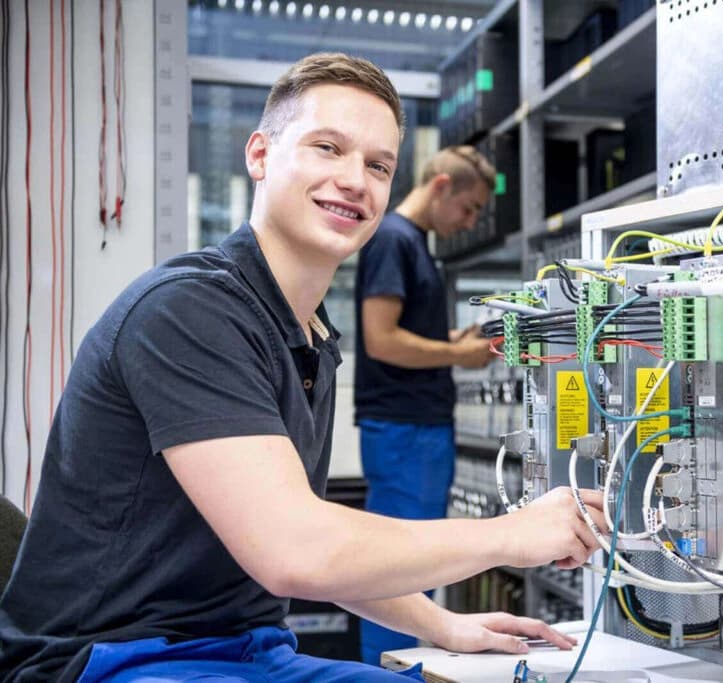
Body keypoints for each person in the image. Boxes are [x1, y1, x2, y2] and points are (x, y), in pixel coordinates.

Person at [0, 53, 607, 683]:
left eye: (378, 166)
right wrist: (513, 534)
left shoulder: (309, 339)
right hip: (113, 661)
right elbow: (297, 550)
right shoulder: (186, 312)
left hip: (250, 650)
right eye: (327, 147)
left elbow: (319, 544)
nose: (355, 180)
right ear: (259, 155)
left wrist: (444, 626)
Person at [354, 145, 498, 663]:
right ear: (440, 186)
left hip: (417, 430)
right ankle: (385, 672)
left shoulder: (412, 243)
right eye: (469, 207)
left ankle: (398, 668)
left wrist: (450, 339)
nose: (471, 220)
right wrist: (458, 353)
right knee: (399, 571)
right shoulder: (394, 240)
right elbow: (381, 340)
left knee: (416, 568)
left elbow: (406, 333)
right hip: (404, 431)